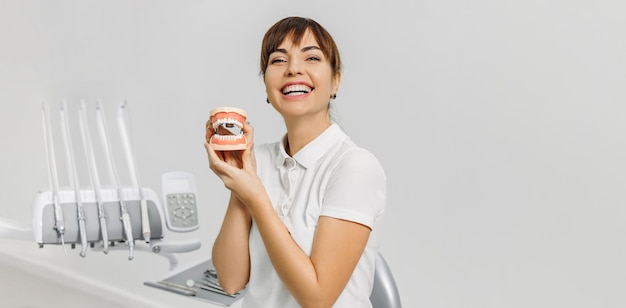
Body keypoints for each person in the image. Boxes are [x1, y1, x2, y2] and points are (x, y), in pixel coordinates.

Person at [204, 16, 386, 308]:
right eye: (278, 61)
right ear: (266, 86)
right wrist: (238, 181)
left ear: (335, 80)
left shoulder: (355, 167)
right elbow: (230, 280)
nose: (293, 69)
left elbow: (317, 298)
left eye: (312, 57)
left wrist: (256, 198)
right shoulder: (258, 159)